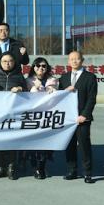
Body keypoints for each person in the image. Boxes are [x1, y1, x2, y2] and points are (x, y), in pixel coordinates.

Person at [58, 51, 98, 184]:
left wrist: (84, 115)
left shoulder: (90, 77)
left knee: (84, 146)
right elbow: (59, 97)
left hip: (82, 118)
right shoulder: (64, 77)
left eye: (77, 59)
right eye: (72, 59)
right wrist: (65, 91)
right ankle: (72, 170)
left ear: (82, 60)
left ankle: (88, 173)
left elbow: (92, 98)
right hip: (68, 119)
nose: (74, 61)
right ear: (68, 62)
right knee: (69, 145)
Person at [0, 52, 27, 179]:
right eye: (4, 61)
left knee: (11, 142)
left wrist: (21, 89)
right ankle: (1, 167)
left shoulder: (19, 76)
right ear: (0, 63)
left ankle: (11, 167)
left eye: (10, 61)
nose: (7, 63)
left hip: (14, 114)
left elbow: (28, 95)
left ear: (14, 62)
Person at [25, 57, 59, 180]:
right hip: (32, 116)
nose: (41, 68)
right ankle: (35, 167)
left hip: (47, 117)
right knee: (33, 144)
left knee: (45, 144)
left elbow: (57, 96)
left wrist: (52, 90)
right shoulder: (28, 81)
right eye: (38, 65)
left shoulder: (53, 80)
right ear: (33, 67)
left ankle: (41, 167)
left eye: (44, 66)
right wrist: (35, 88)